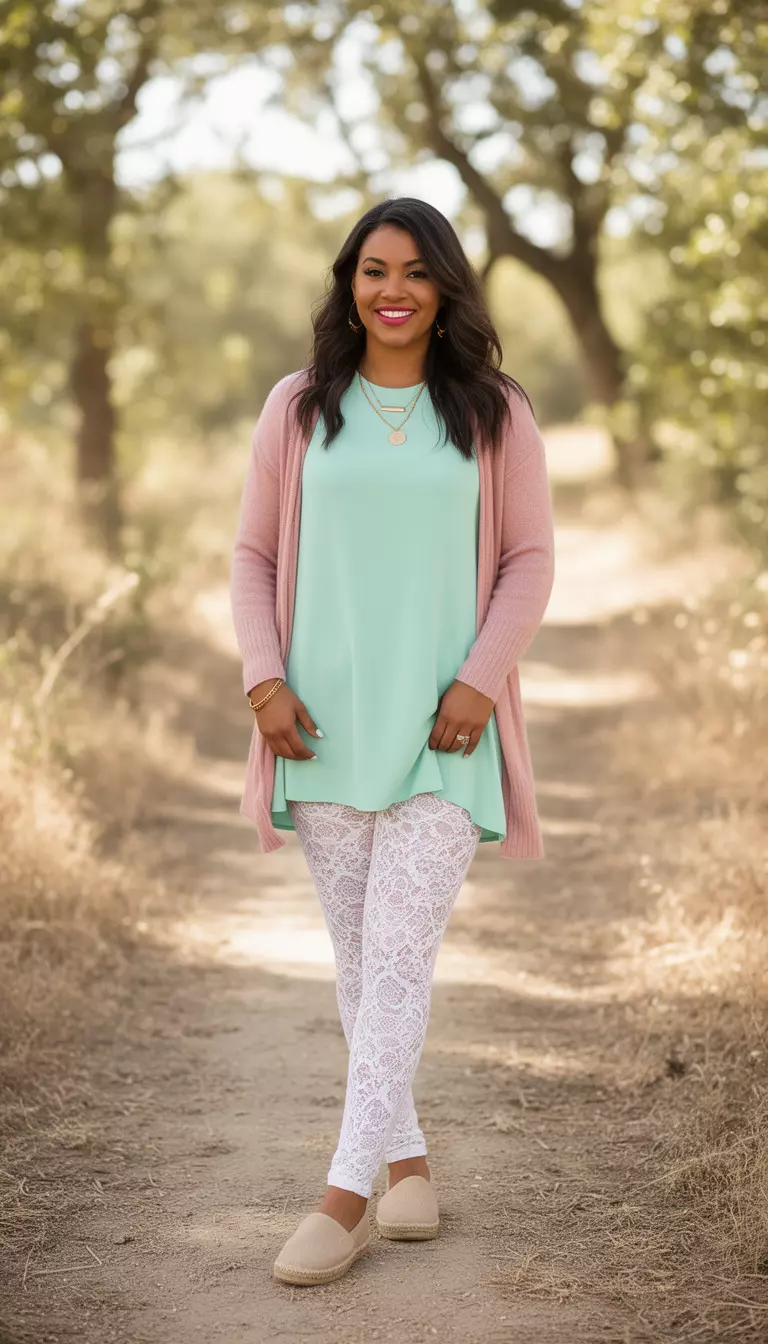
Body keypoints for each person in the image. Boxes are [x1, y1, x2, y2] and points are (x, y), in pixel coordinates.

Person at [230, 197, 555, 1286]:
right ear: (349, 284)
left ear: (447, 286)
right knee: (362, 960)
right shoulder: (297, 407)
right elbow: (252, 560)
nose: (394, 290)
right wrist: (264, 681)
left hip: (443, 732)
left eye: (416, 271)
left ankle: (344, 1195)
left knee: (400, 953)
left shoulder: (496, 412)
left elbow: (529, 560)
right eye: (374, 270)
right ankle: (407, 1162)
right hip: (320, 727)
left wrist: (479, 681)